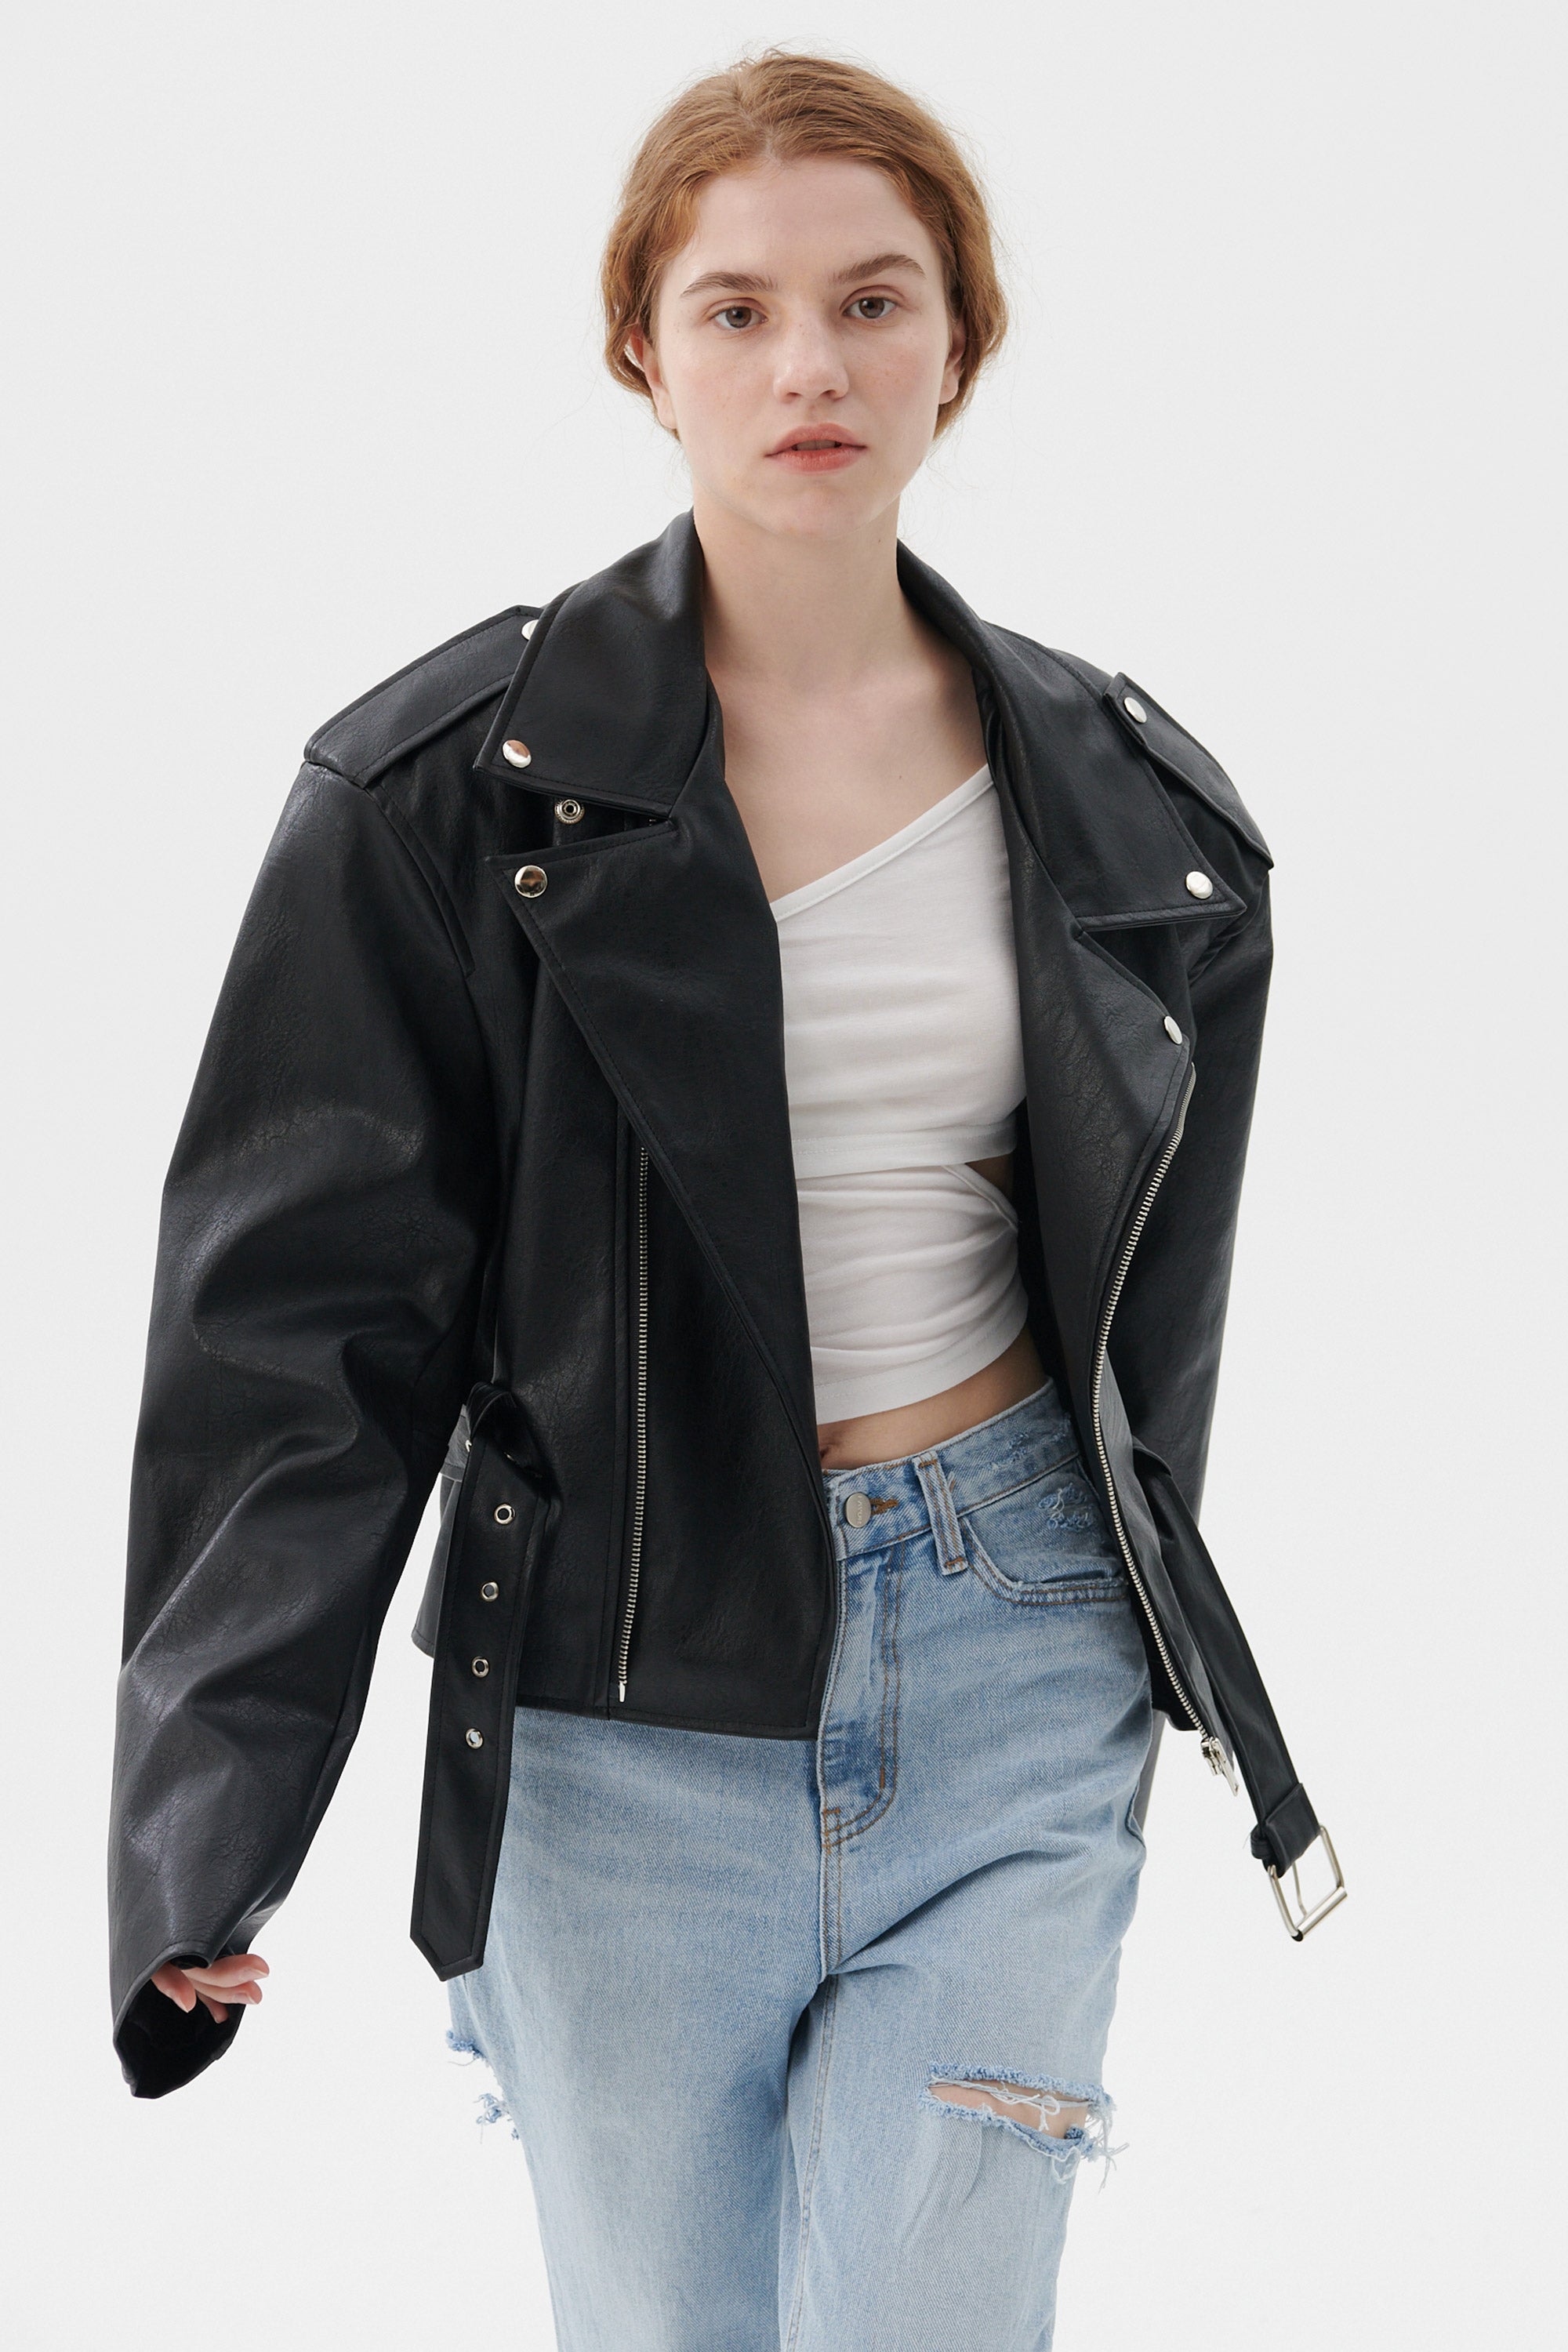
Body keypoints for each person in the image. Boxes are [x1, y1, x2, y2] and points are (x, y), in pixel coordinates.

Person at [110, 47, 1341, 2349]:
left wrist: (1117, 1621)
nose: (812, 369)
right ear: (643, 353)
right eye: (740, 310)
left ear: (960, 341)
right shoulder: (442, 798)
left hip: (1014, 1651)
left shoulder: (1142, 813)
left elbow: (1150, 1337)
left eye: (874, 303)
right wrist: (209, 1825)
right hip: (613, 1698)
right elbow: (296, 1347)